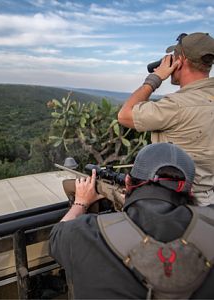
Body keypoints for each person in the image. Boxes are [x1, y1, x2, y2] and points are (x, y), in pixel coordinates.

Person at [49, 143, 214, 299]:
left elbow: (56, 236)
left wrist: (81, 203)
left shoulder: (84, 233)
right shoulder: (209, 223)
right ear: (190, 191)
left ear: (127, 182)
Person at [117, 32, 214, 206]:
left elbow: (124, 115)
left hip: (179, 200)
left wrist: (156, 77)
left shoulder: (176, 105)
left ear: (181, 59)